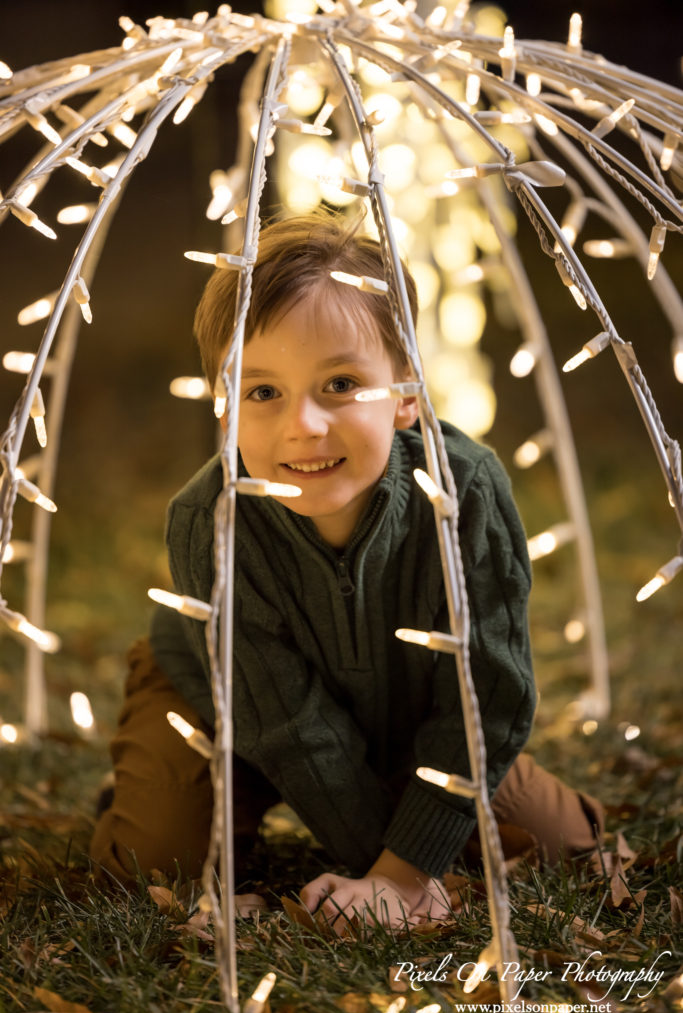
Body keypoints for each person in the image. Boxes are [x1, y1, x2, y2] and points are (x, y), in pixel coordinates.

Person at [91, 212, 603, 932]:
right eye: (261, 392)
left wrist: (405, 867)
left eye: (338, 382)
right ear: (224, 408)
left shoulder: (465, 492)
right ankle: (197, 791)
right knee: (158, 862)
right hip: (225, 697)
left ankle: (410, 786)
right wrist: (388, 870)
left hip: (403, 704)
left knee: (561, 848)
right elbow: (283, 719)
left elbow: (487, 690)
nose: (302, 424)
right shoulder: (209, 518)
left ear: (405, 395)